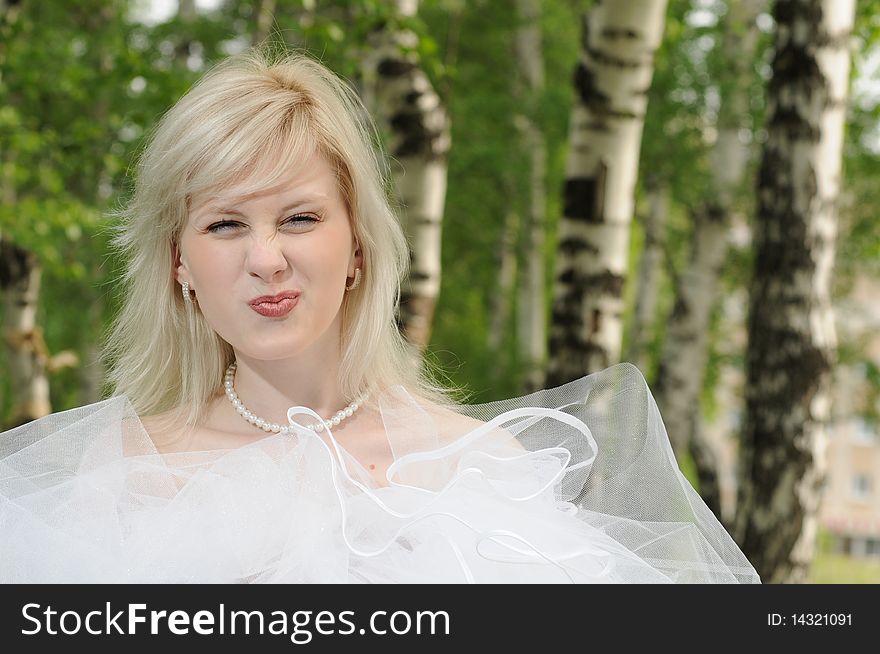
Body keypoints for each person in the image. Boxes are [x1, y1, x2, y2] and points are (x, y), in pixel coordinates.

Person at [0, 49, 759, 584]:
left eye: (298, 218)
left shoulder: (482, 470)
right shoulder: (125, 474)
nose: (265, 259)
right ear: (178, 265)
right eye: (225, 225)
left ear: (358, 244)